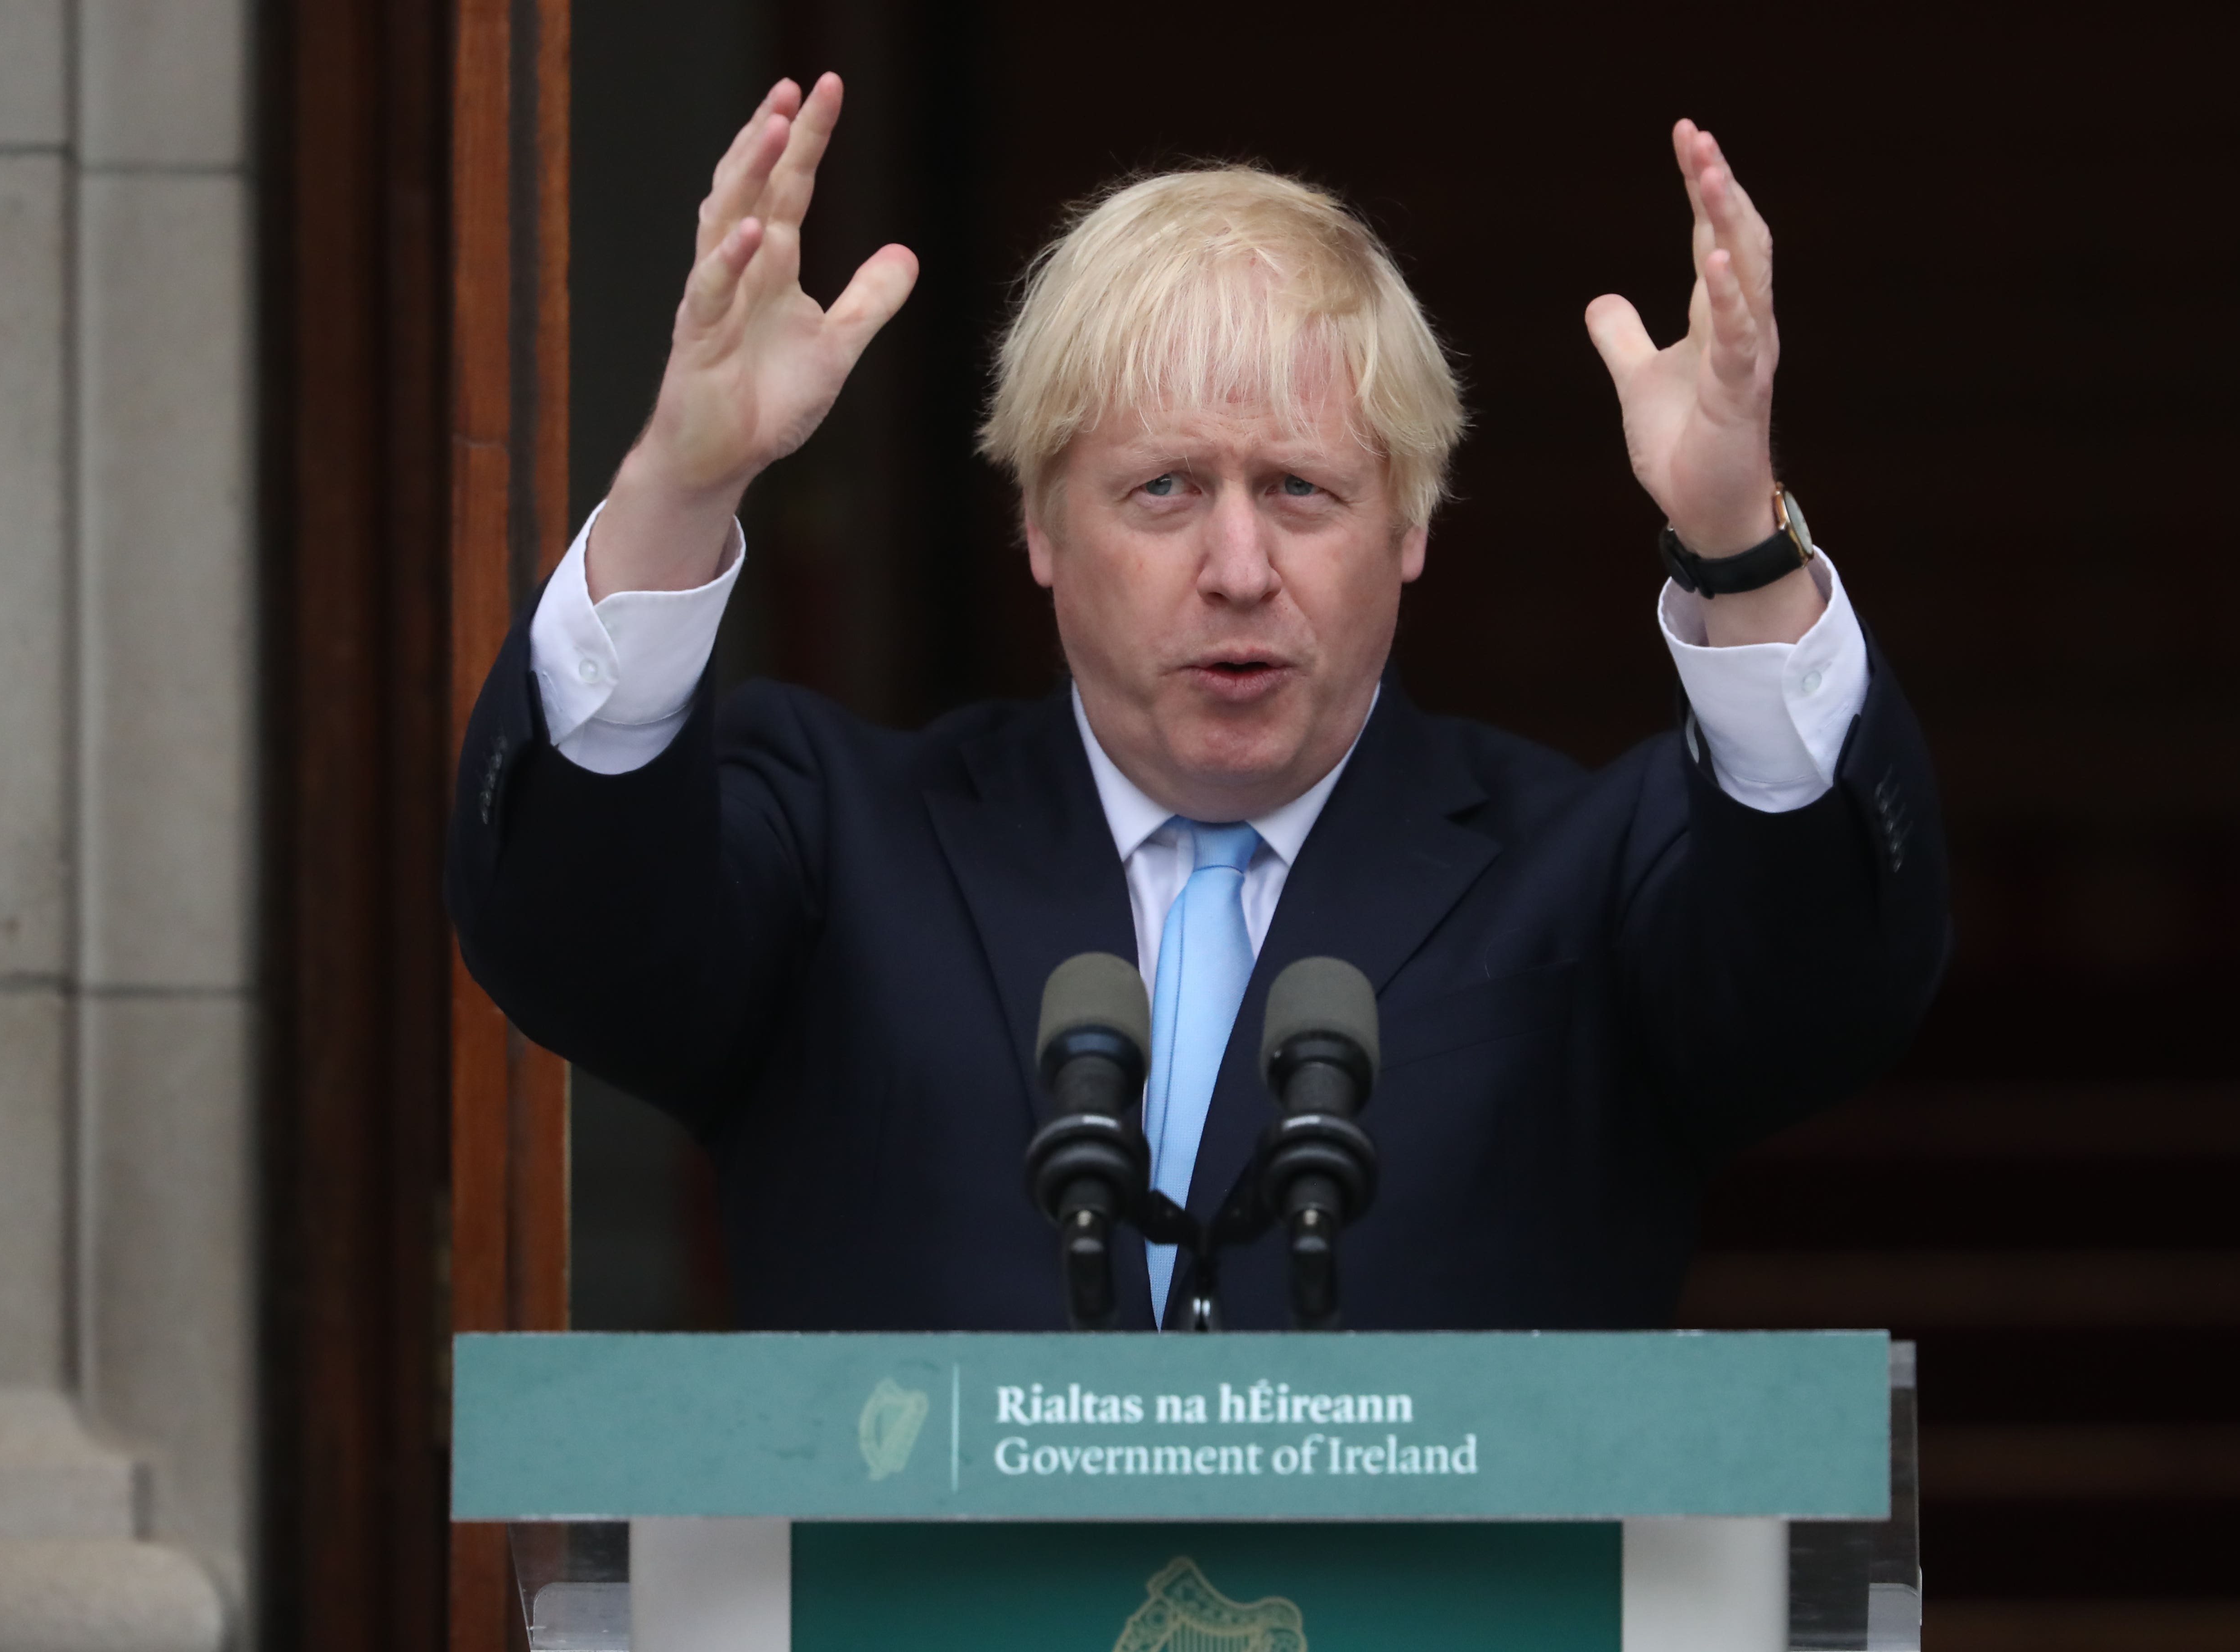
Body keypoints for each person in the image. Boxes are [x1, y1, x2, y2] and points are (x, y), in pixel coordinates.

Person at [447, 72, 1947, 1332]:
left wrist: (1741, 544)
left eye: (1302, 491)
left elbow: (1825, 988)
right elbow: (573, 940)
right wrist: (682, 483)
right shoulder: (838, 842)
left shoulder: (1592, 871)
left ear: (1412, 529)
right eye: (1163, 490)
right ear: (1039, 526)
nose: (1240, 567)